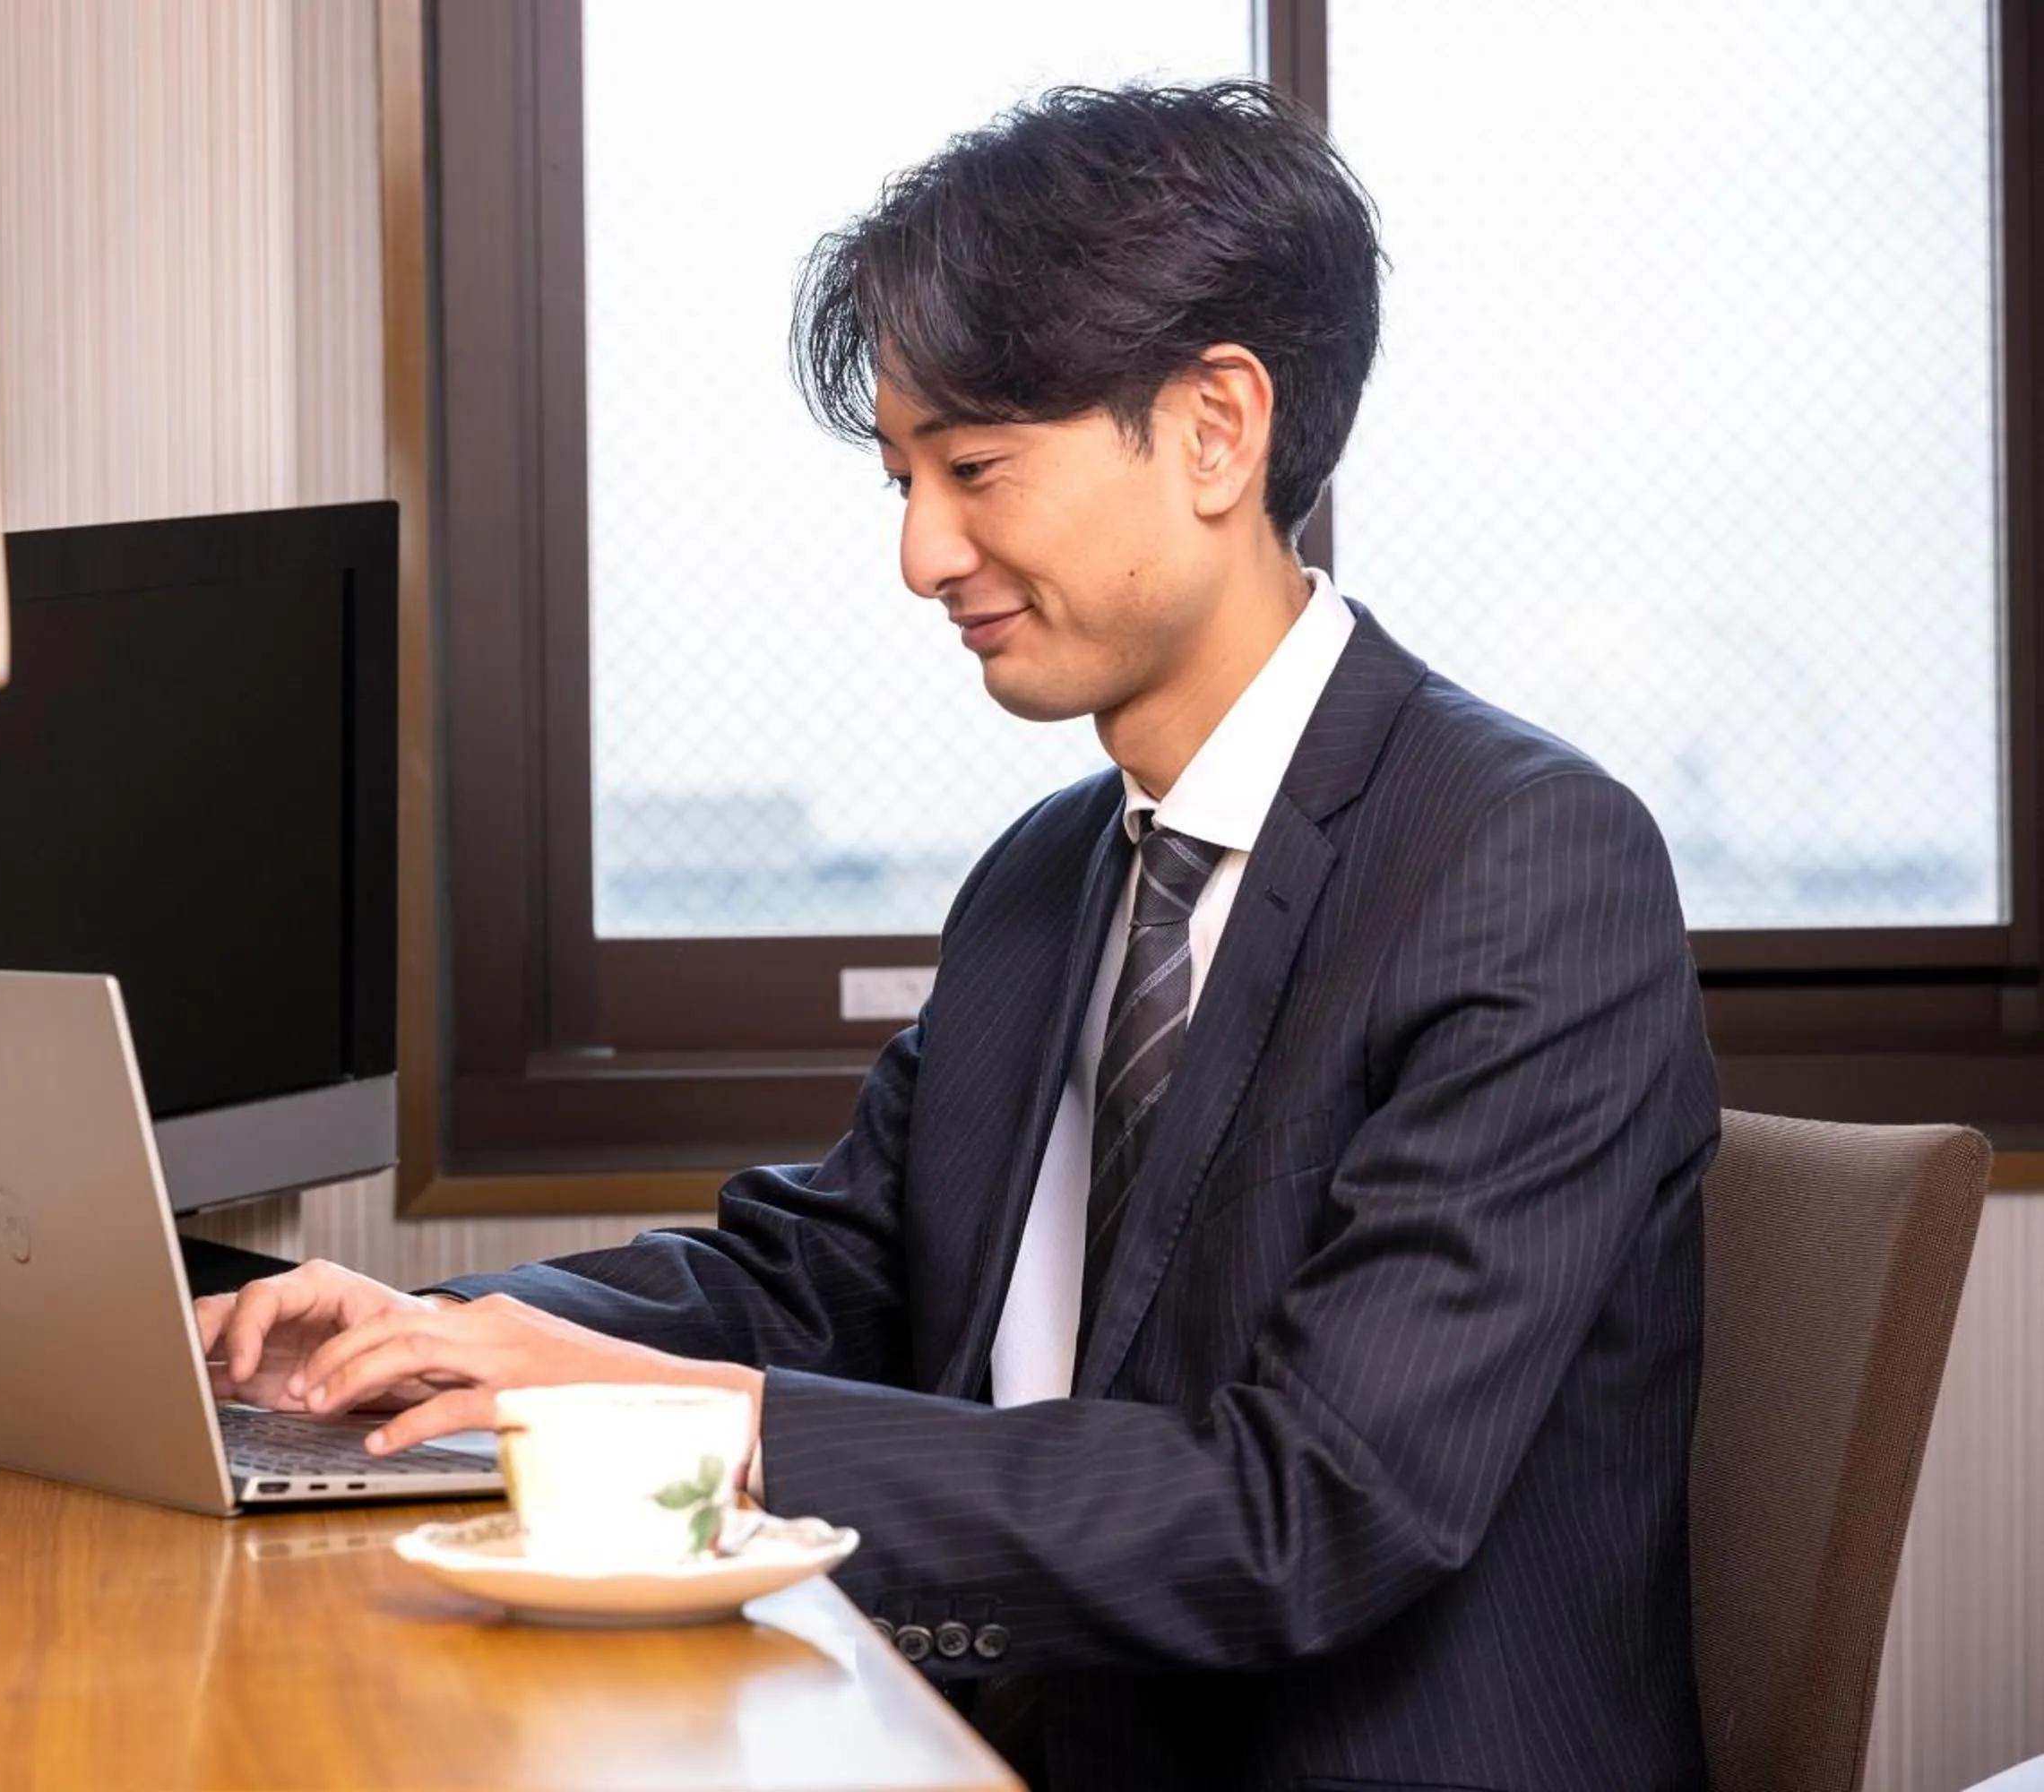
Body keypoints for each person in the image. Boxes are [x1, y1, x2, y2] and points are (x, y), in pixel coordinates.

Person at [199, 79, 1717, 1792]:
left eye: (976, 468)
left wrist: (669, 1416)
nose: (922, 553)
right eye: (905, 475)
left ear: (1219, 428)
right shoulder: (1051, 871)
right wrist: (423, 1333)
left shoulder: (1525, 859)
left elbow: (1314, 1513)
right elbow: (824, 1276)